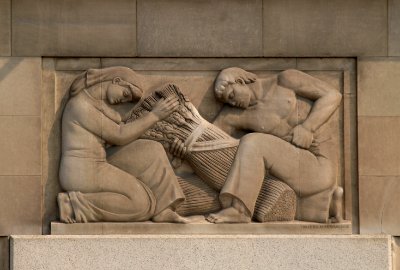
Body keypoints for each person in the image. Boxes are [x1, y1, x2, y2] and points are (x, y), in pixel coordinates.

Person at [206, 67, 343, 223]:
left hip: (321, 166)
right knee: (252, 143)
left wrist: (308, 127)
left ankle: (240, 210)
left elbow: (333, 95)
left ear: (240, 81)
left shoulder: (286, 79)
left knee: (253, 142)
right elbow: (209, 140)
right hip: (297, 172)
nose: (232, 103)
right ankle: (328, 201)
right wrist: (181, 148)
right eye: (228, 101)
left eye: (231, 95)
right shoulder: (233, 116)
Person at [57, 66, 189, 223]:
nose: (124, 100)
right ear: (117, 81)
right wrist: (155, 115)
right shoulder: (80, 106)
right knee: (141, 203)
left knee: (151, 149)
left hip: (100, 162)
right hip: (81, 171)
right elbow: (119, 135)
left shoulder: (97, 105)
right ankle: (72, 205)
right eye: (126, 94)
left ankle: (163, 209)